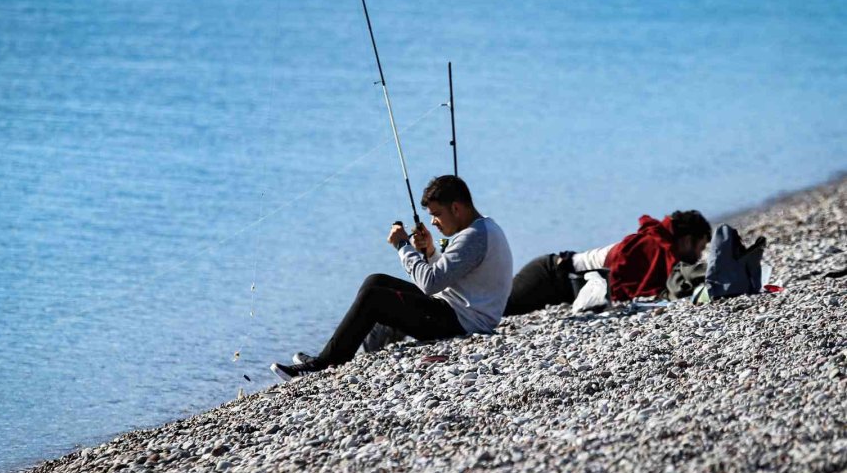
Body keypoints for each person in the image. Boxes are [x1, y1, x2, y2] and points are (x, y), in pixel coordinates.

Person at [270, 175, 513, 381]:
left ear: (456, 208)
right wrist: (428, 250)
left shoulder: (474, 236)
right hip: (457, 312)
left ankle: (322, 366)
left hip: (463, 324)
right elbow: (448, 277)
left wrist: (403, 246)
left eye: (437, 214)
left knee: (374, 298)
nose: (432, 222)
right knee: (376, 281)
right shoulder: (481, 229)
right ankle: (341, 355)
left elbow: (430, 284)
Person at [504, 210, 711, 316]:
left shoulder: (661, 248)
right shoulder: (650, 245)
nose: (698, 255)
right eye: (699, 247)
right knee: (500, 306)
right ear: (686, 240)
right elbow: (623, 283)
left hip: (561, 284)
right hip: (551, 275)